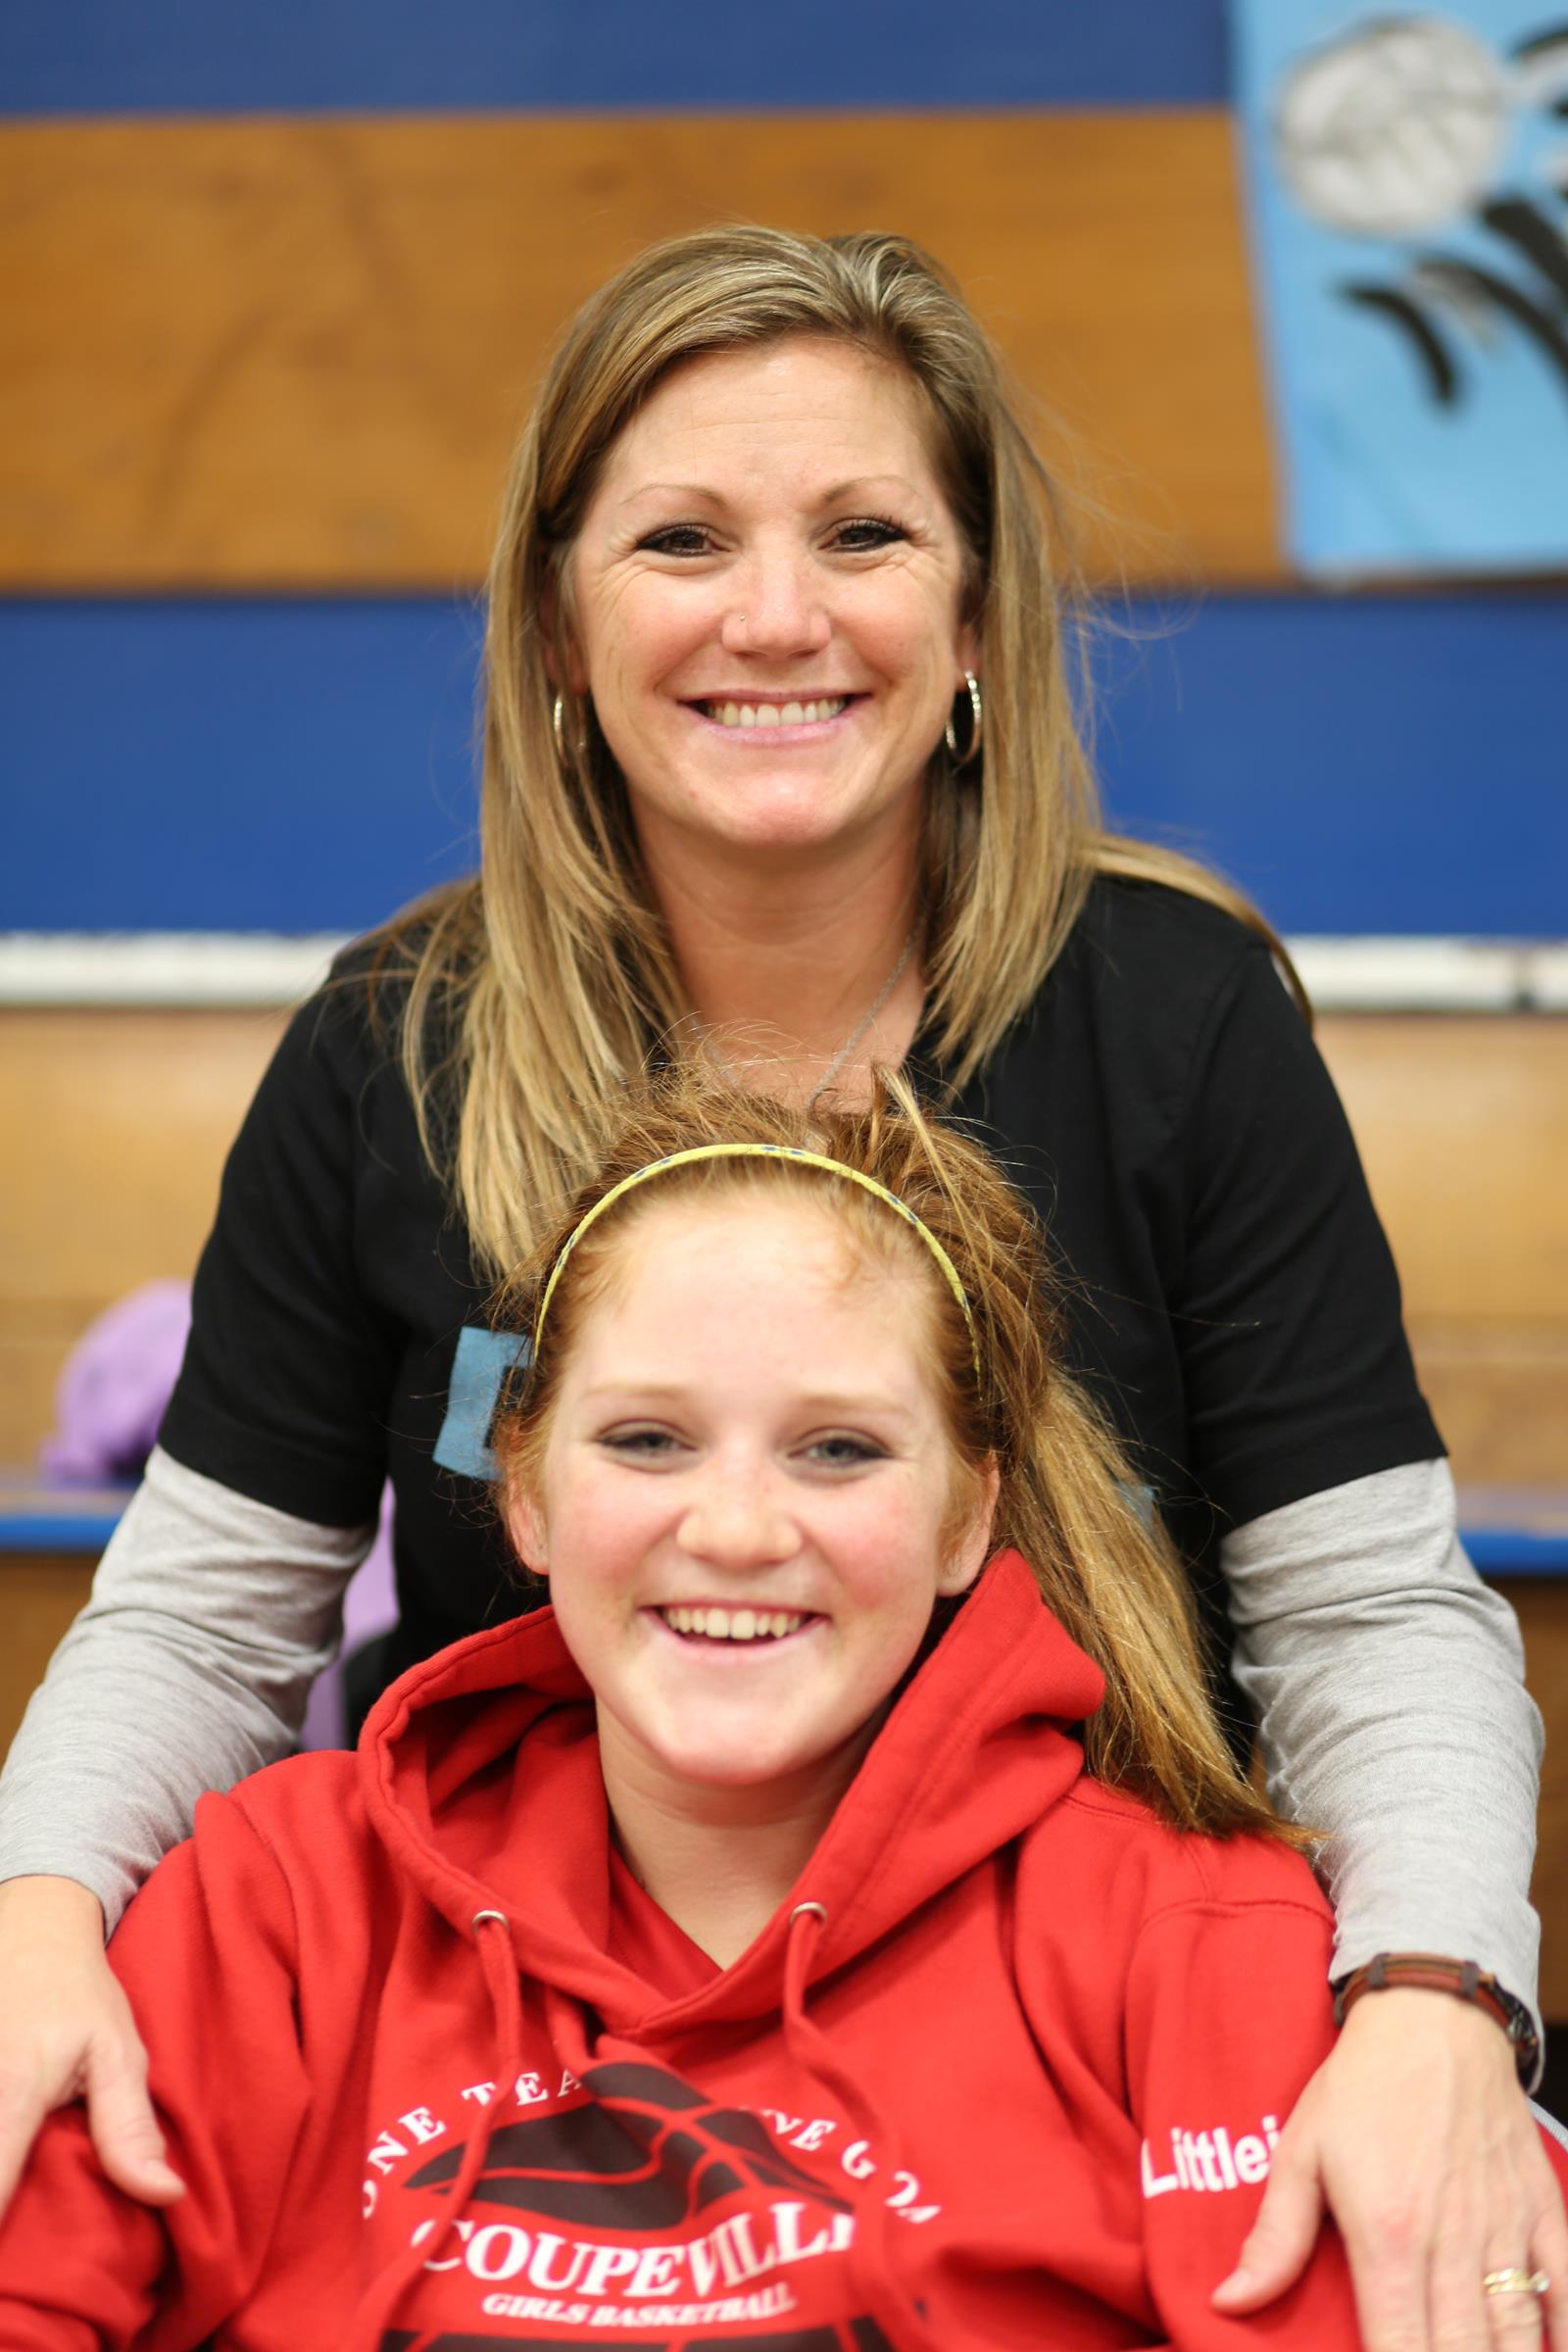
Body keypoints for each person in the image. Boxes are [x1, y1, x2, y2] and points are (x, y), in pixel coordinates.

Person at [0, 224, 1555, 2350]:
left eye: (862, 533)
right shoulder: (394, 1049)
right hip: (505, 2067)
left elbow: (1366, 1617)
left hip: (1060, 2067)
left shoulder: (1176, 1018)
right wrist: (37, 1916)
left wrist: (1431, 1998)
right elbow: (199, 1622)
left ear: (975, 618)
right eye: (680, 539)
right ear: (557, 627)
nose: (775, 616)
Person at [12, 1072, 1560, 2349]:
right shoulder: (276, 1906)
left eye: (839, 1450)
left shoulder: (1195, 1944)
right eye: (647, 1439)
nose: (740, 1529)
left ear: (969, 1518)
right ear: (527, 1492)